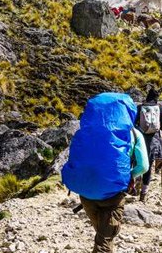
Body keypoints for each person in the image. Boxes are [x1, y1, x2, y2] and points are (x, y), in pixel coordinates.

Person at [62, 92, 148, 253]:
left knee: (102, 234)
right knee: (105, 240)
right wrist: (129, 176)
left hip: (85, 191)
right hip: (113, 193)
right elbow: (143, 166)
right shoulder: (134, 134)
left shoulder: (85, 132)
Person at [135, 88, 162, 201]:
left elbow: (133, 123)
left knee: (137, 161)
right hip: (154, 141)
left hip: (140, 139)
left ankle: (136, 182)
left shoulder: (140, 107)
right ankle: (143, 194)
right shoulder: (160, 108)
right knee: (148, 165)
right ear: (157, 98)